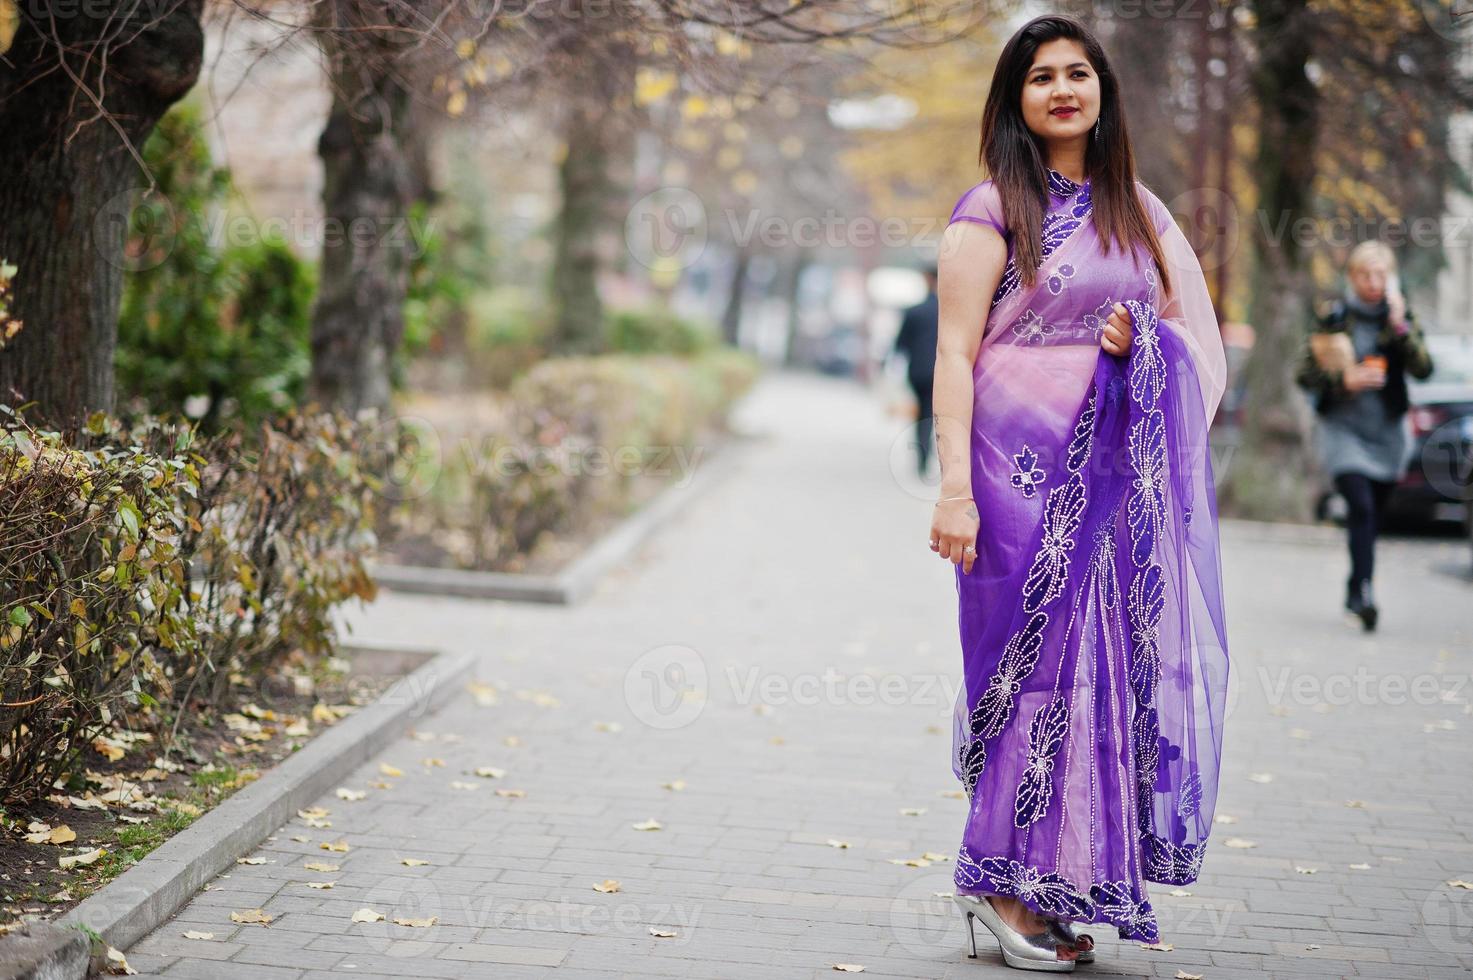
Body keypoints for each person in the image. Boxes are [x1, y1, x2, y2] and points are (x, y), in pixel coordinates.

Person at [926, 14, 1230, 971]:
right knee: (1027, 676)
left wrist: (1141, 344)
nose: (1062, 89)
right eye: (1040, 76)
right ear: (1014, 98)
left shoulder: (1139, 212)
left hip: (1107, 478)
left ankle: (1035, 881)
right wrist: (950, 492)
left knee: (1094, 675)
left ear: (1102, 90)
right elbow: (954, 351)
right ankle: (997, 883)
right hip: (1010, 478)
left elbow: (1190, 345)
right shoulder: (991, 207)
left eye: (1078, 73)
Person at [1296, 240, 1434, 631]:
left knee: (1372, 515)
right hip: (1344, 432)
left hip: (1388, 434)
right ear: (1352, 277)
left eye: (1381, 274)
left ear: (1390, 279)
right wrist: (1346, 379)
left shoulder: (1401, 320)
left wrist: (1400, 323)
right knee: (1362, 508)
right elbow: (1304, 375)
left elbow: (1424, 368)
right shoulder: (1334, 318)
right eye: (1365, 274)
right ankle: (1364, 594)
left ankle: (1356, 584)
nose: (1373, 282)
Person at [893, 264, 941, 476]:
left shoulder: (914, 311)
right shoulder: (950, 311)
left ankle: (921, 456)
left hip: (917, 371)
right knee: (933, 413)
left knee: (921, 413)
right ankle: (930, 453)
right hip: (941, 372)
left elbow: (900, 344)